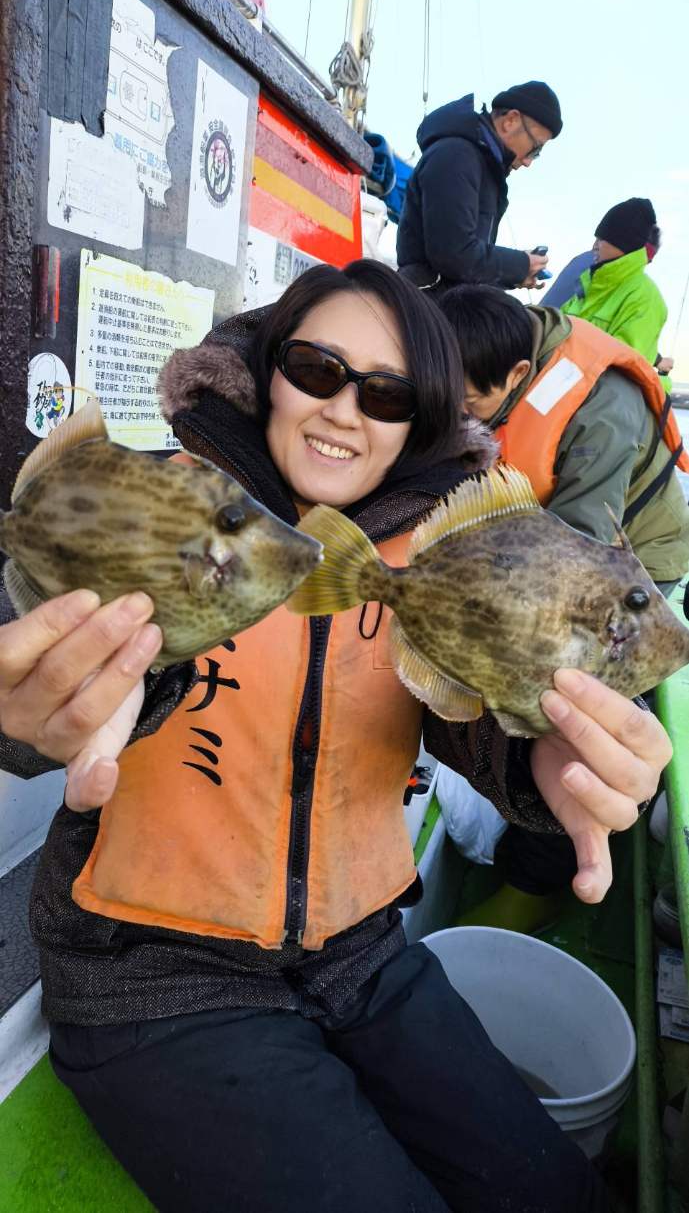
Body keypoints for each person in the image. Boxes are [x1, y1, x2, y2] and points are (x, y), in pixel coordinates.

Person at [0, 261, 670, 1213]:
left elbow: (470, 718)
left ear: (417, 419)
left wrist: (547, 754)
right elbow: (57, 660)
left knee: (555, 1193)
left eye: (387, 394)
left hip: (363, 957)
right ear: (268, 370)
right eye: (316, 369)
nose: (344, 411)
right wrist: (39, 721)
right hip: (154, 977)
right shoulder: (162, 505)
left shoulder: (431, 551)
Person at [439, 282, 689, 931]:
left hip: (629, 568)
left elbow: (578, 559)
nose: (453, 421)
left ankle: (537, 880)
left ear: (516, 374)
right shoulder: (485, 356)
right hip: (538, 543)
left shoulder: (602, 411)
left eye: (465, 408)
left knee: (573, 707)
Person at [440, 284, 689, 593]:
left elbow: (582, 539)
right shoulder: (492, 348)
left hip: (640, 553)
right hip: (539, 533)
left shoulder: (602, 414)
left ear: (518, 373)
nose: (457, 415)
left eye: (469, 402)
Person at [396, 80, 562, 294]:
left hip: (442, 300)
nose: (529, 162)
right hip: (428, 303)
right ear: (510, 121)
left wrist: (517, 273)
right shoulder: (456, 156)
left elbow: (465, 264)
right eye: (535, 149)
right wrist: (521, 265)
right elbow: (453, 255)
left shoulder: (478, 164)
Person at [558, 198, 674, 390]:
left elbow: (623, 373)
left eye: (601, 239)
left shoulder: (645, 297)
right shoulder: (587, 285)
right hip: (561, 393)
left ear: (623, 244)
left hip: (591, 404)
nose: (594, 246)